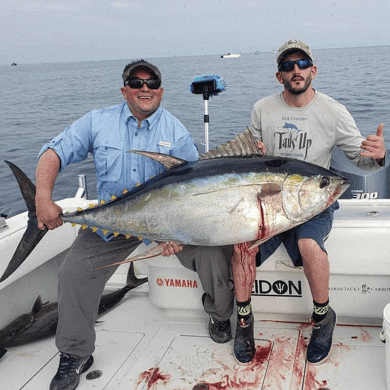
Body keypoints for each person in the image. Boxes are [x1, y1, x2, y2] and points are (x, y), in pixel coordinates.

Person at [36, 60, 234, 390]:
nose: (145, 88)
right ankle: (76, 352)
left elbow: (196, 189)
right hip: (115, 222)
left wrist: (175, 232)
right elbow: (53, 152)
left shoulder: (176, 132)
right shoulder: (97, 122)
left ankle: (221, 315)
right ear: (124, 89)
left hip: (171, 223)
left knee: (214, 254)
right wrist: (44, 195)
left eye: (151, 82)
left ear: (161, 90)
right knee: (73, 273)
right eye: (136, 82)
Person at [231, 39, 386, 366]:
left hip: (314, 198)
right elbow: (256, 161)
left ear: (313, 70)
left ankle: (323, 317)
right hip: (272, 203)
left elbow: (361, 160)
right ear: (279, 76)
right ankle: (244, 320)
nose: (296, 70)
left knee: (308, 244)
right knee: (242, 246)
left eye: (302, 64)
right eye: (288, 66)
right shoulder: (262, 108)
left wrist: (378, 156)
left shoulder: (333, 111)